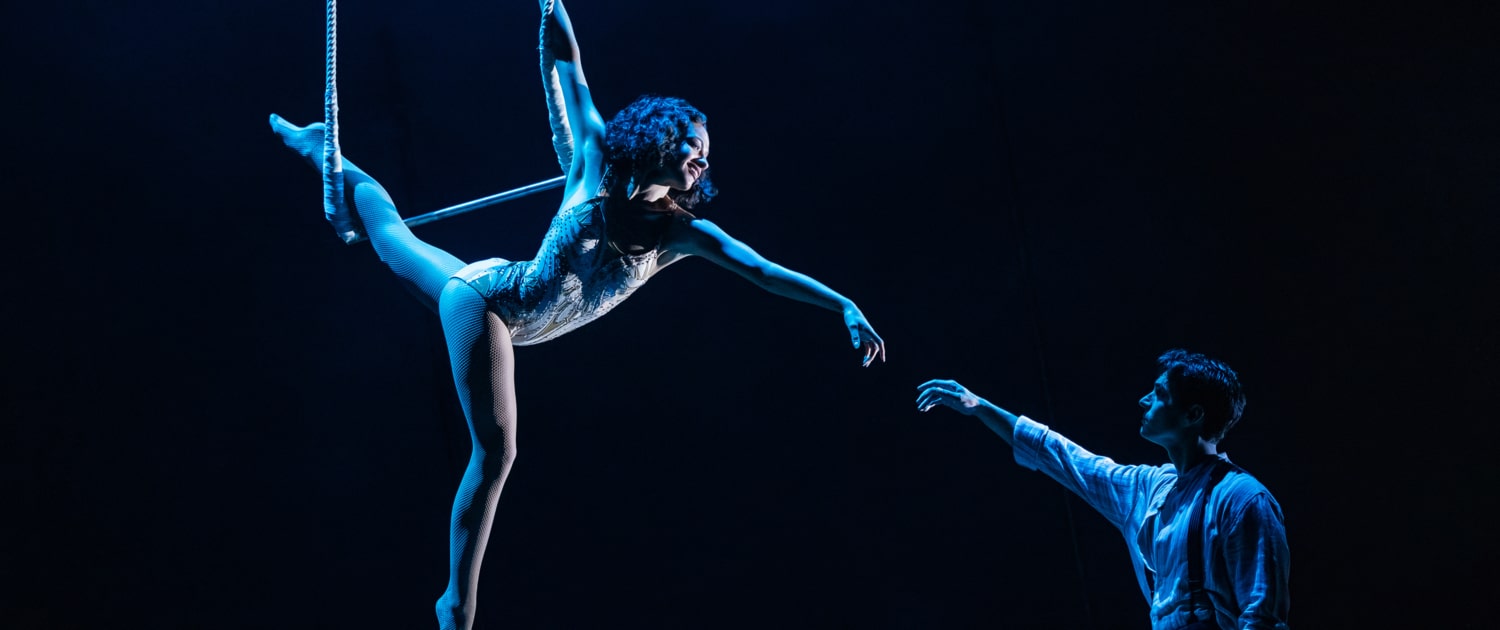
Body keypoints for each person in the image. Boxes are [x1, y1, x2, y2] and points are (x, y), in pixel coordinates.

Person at [268, 1, 886, 628]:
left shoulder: (681, 232)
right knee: (497, 451)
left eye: (705, 156)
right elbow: (567, 62)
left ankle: (327, 151)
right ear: (659, 141)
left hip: (507, 309)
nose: (702, 163)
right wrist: (551, 5)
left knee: (389, 236)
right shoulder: (592, 158)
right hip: (485, 302)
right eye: (694, 148)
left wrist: (843, 304)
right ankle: (455, 602)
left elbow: (761, 269)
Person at [916, 350, 1289, 629]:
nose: (1144, 400)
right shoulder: (1150, 488)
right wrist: (980, 407)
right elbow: (1065, 457)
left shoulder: (1241, 499)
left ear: (1193, 415)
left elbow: (1262, 616)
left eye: (1159, 394)